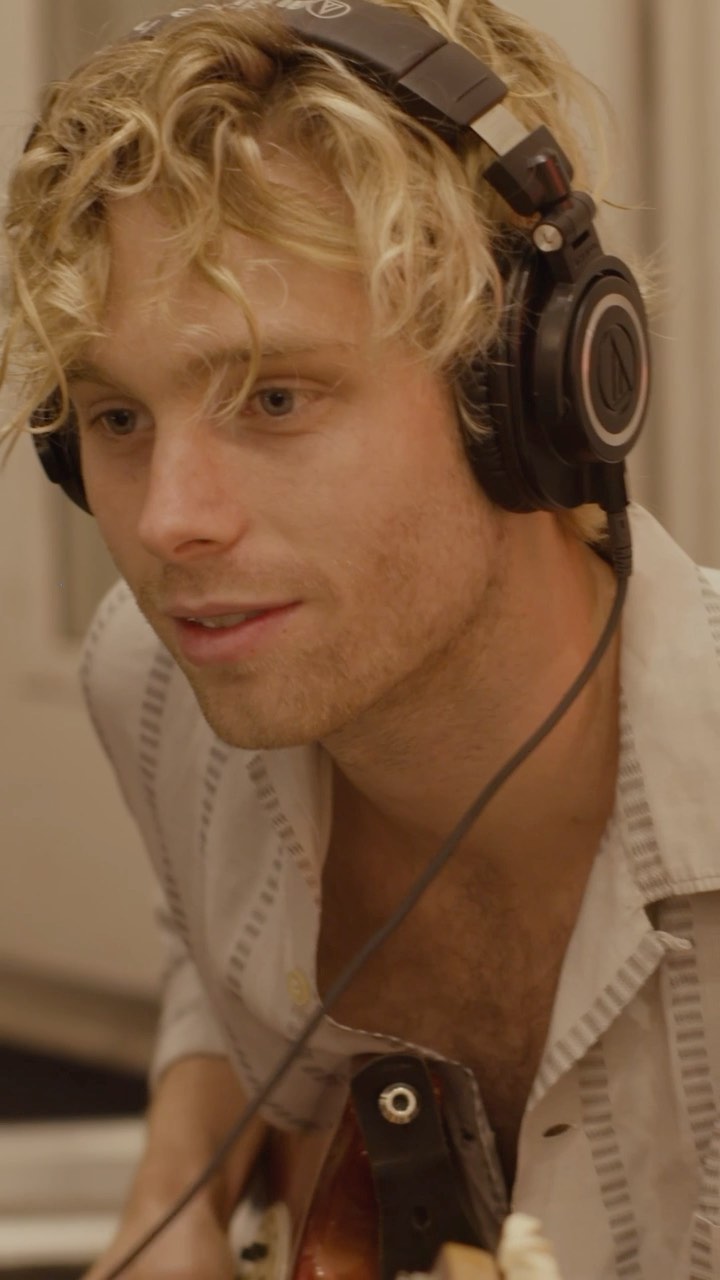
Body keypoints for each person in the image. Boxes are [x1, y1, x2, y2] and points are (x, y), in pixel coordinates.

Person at [1, 1, 719, 1276]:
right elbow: (210, 926)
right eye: (116, 418)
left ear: (525, 394)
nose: (167, 523)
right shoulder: (160, 682)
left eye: (275, 397)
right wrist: (176, 1184)